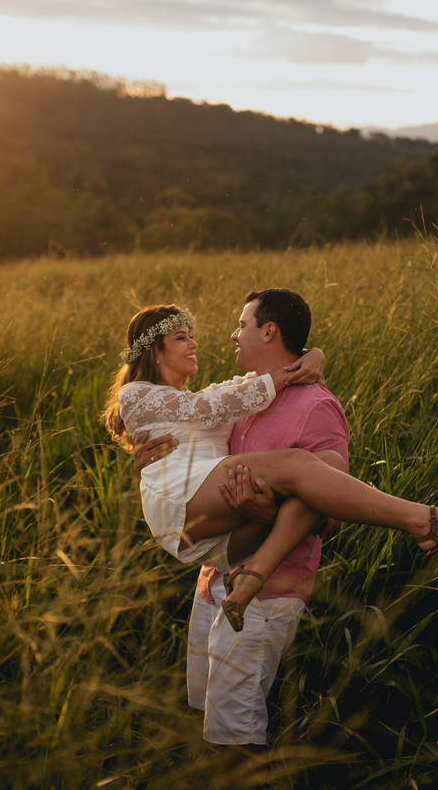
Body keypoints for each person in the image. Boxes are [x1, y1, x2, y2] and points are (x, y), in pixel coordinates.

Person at [100, 301, 438, 633]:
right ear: (154, 351)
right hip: (180, 502)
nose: (195, 344)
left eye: (191, 335)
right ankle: (424, 520)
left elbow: (243, 388)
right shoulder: (139, 394)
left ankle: (251, 579)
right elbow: (214, 406)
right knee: (297, 464)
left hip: (223, 539)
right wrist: (299, 365)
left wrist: (314, 354)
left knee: (324, 467)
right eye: (181, 337)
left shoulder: (208, 392)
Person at [134, 288, 350, 758]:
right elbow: (192, 456)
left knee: (237, 735)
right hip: (214, 579)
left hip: (268, 593)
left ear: (268, 330)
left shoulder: (316, 406)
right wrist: (148, 464)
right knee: (206, 714)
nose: (232, 333)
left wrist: (267, 513)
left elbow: (328, 511)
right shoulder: (243, 394)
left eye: (242, 323)